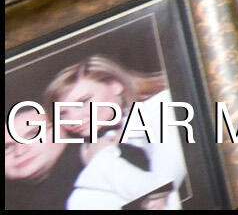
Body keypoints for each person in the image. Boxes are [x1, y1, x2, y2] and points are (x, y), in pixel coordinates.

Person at [39, 58, 183, 210]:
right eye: (63, 113)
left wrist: (101, 158)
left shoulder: (163, 107)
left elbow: (162, 191)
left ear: (115, 86)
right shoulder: (107, 140)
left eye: (83, 101)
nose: (73, 119)